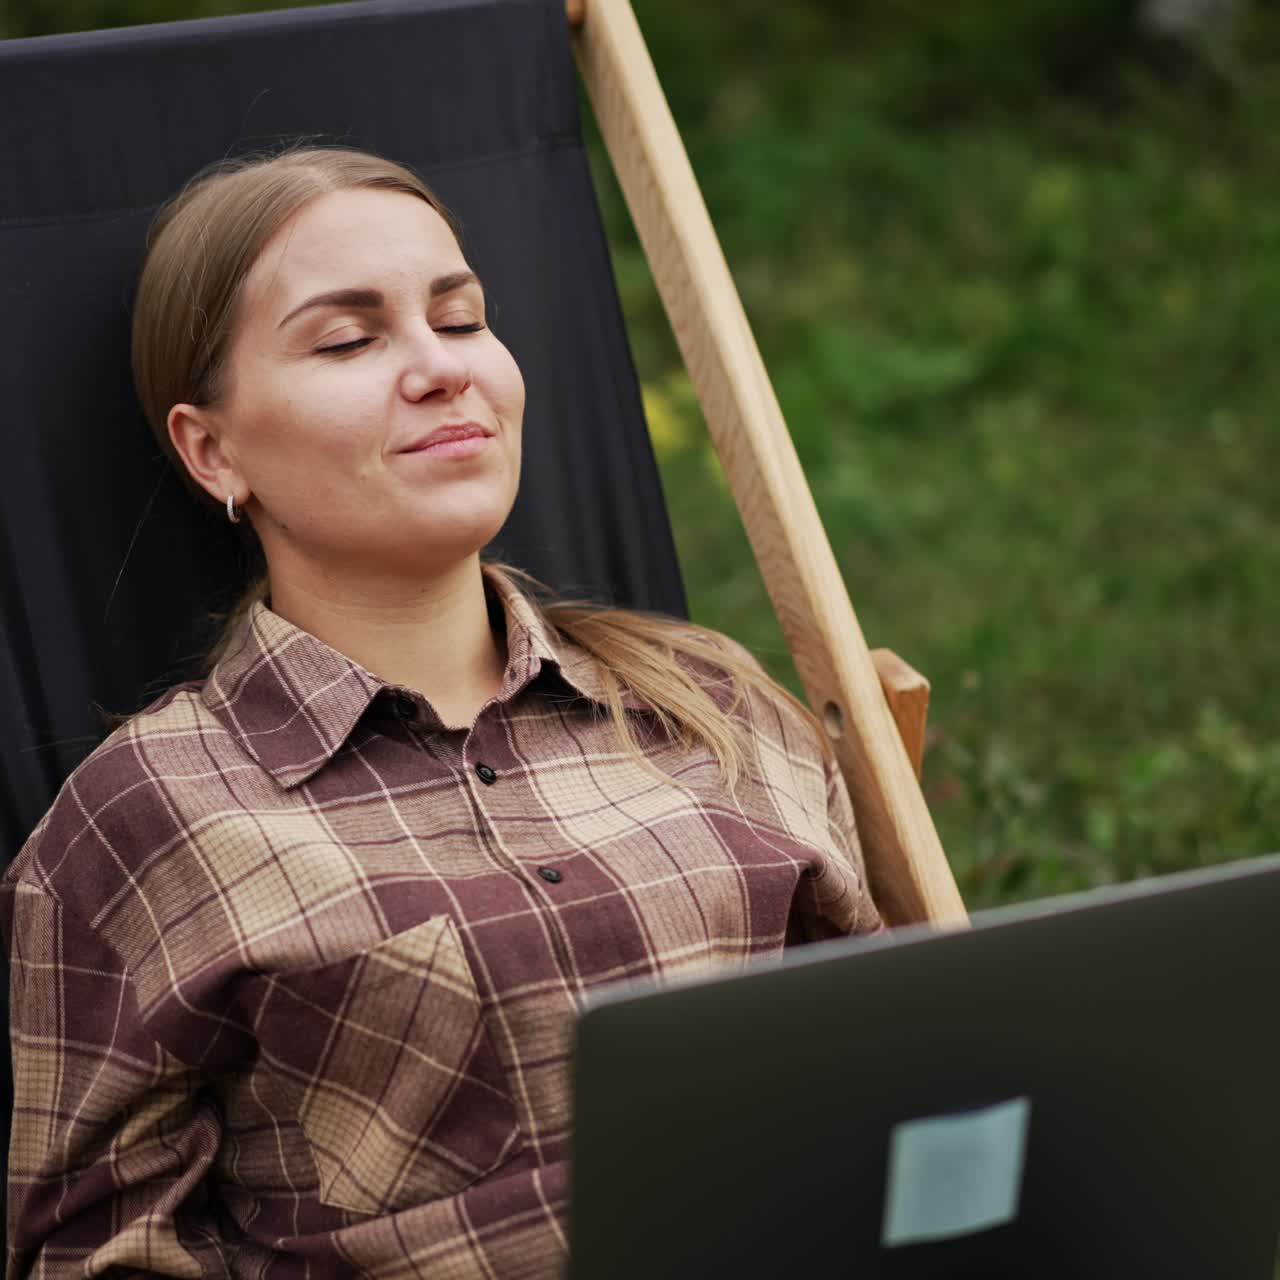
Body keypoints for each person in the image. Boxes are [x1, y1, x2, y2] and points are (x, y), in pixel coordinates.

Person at [0, 147, 882, 1279]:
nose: (438, 369)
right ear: (212, 449)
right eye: (348, 339)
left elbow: (911, 1066)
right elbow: (95, 1256)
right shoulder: (144, 822)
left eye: (460, 320)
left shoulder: (706, 705)